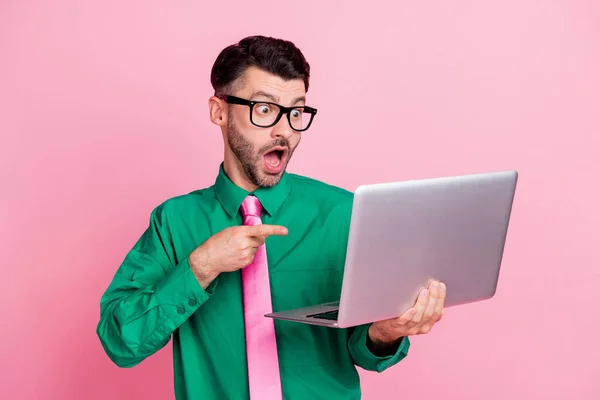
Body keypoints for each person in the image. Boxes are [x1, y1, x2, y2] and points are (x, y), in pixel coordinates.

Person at [96, 35, 446, 400]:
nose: (284, 130)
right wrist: (200, 267)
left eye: (296, 112)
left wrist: (386, 332)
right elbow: (120, 342)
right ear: (219, 111)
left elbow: (363, 348)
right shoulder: (174, 222)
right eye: (264, 109)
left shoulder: (345, 214)